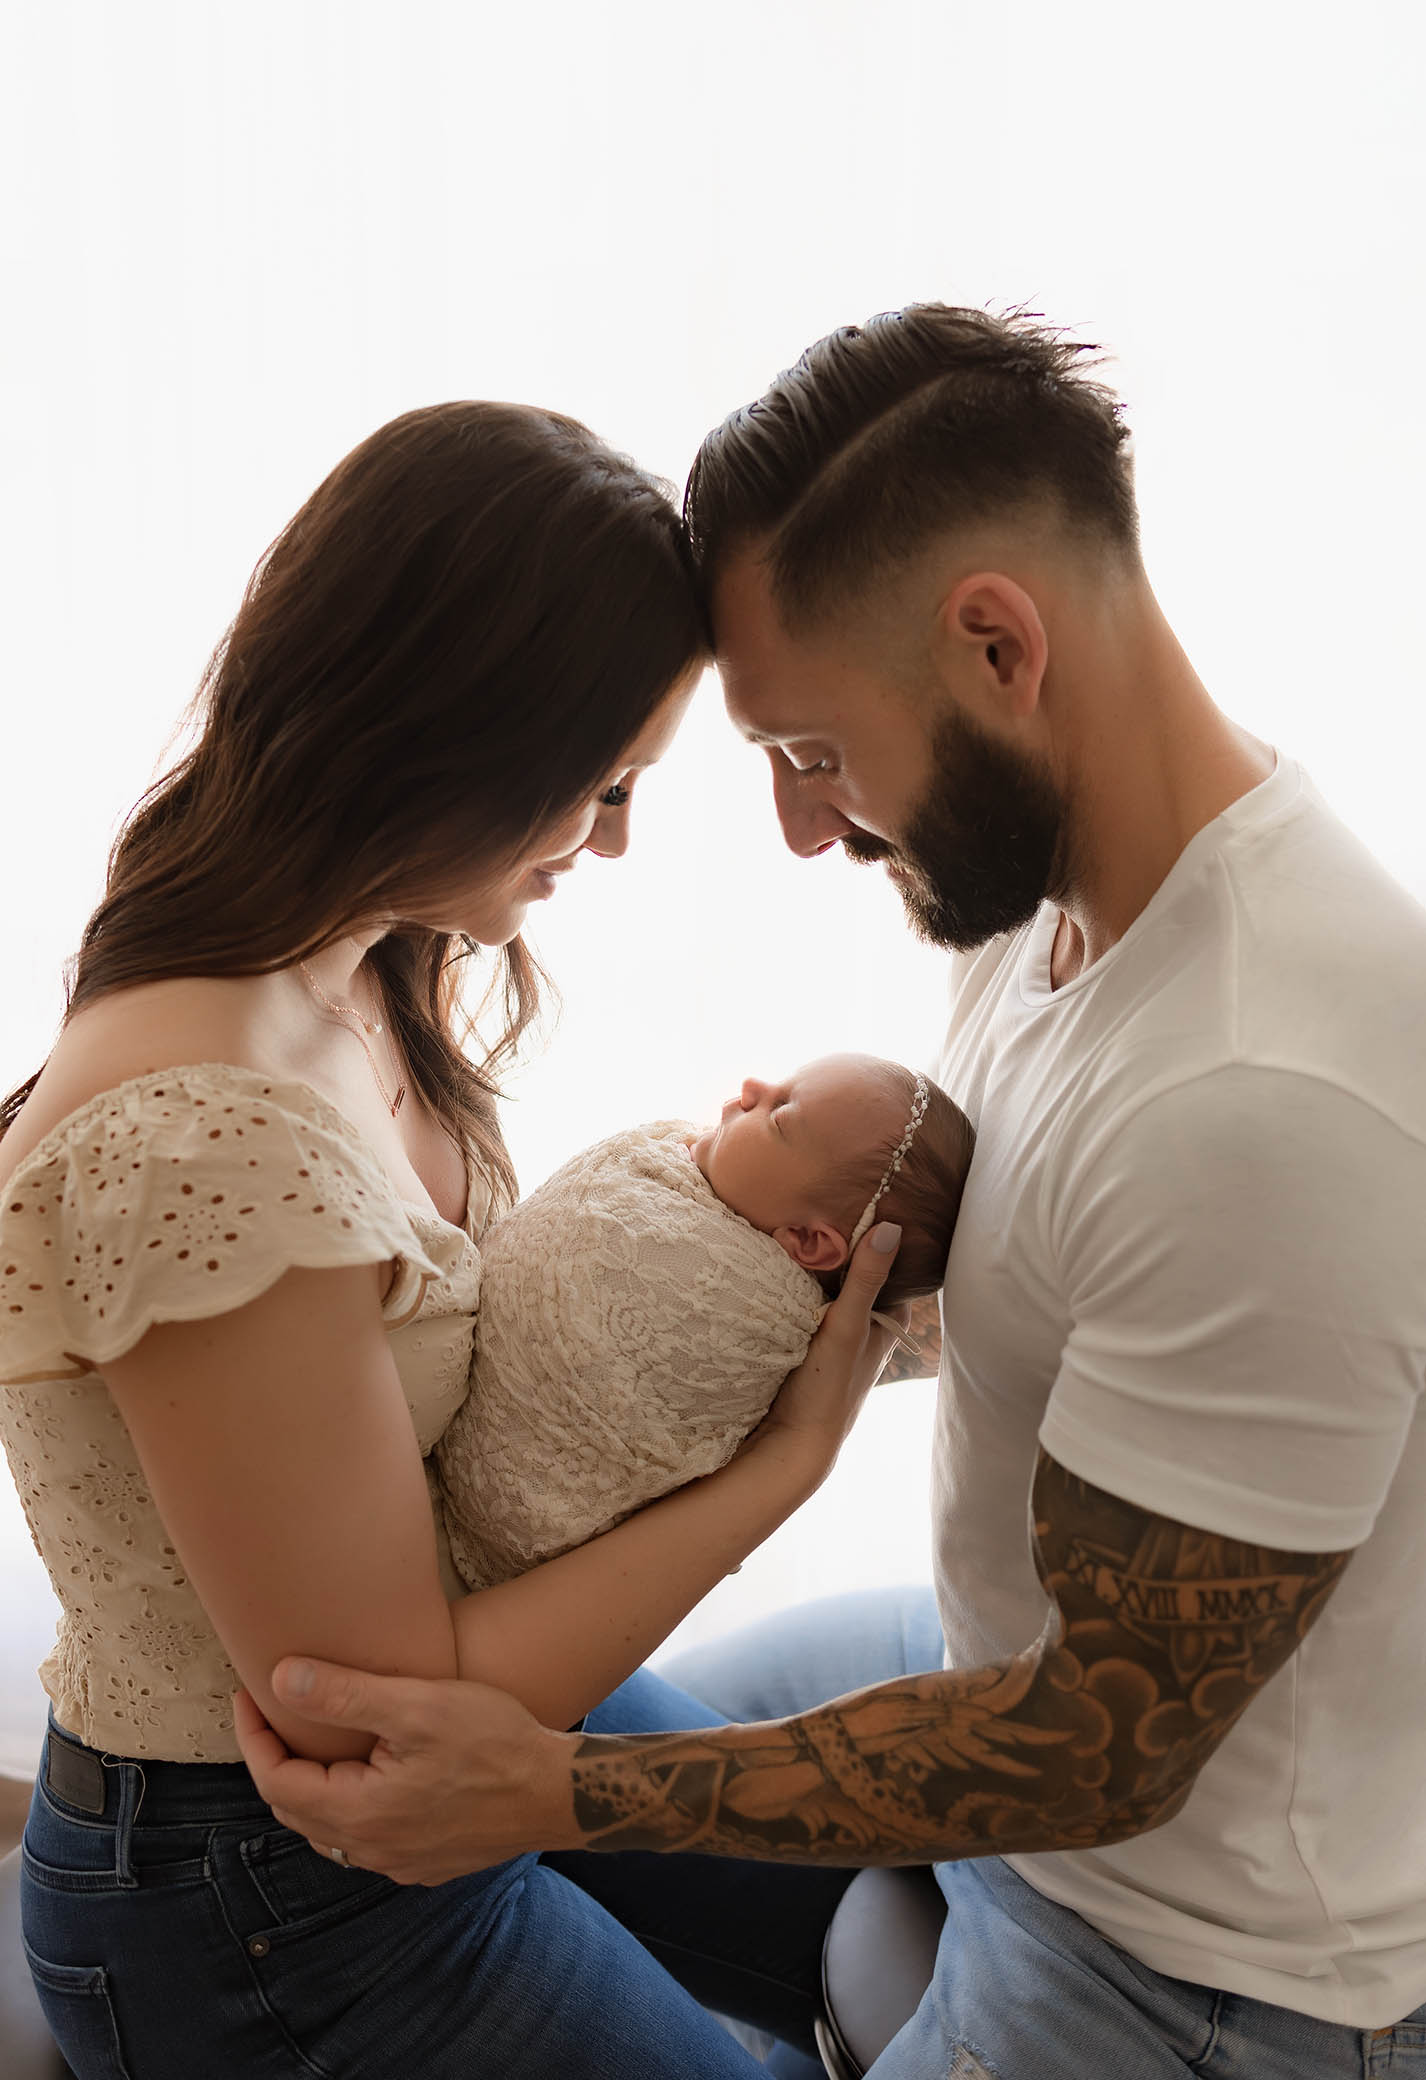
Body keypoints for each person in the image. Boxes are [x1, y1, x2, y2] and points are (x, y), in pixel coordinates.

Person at [239, 305, 1426, 2080]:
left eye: (809, 751)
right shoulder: (1052, 897)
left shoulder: (1266, 1092)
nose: (804, 830)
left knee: (513, 1785)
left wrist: (555, 1793)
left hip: (1178, 1949)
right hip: (988, 1643)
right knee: (498, 1726)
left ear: (994, 644)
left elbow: (1102, 1745)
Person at [0, 400, 911, 2079]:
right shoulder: (203, 1138)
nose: (614, 841)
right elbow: (379, 1719)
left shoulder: (362, 964)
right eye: (604, 785)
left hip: (392, 1764)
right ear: (453, 738)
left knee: (907, 1926)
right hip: (261, 1885)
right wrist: (785, 1468)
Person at [438, 1056, 973, 1588]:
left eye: (781, 1114)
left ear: (809, 1240)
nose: (751, 1086)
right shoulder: (671, 1185)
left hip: (510, 1560)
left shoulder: (730, 1304)